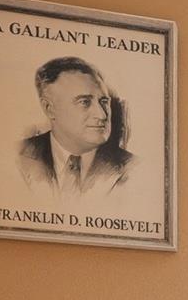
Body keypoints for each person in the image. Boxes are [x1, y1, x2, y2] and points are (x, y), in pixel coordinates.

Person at [15, 56, 133, 197]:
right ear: (49, 109)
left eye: (104, 101)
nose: (102, 115)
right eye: (84, 102)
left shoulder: (132, 168)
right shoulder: (16, 156)